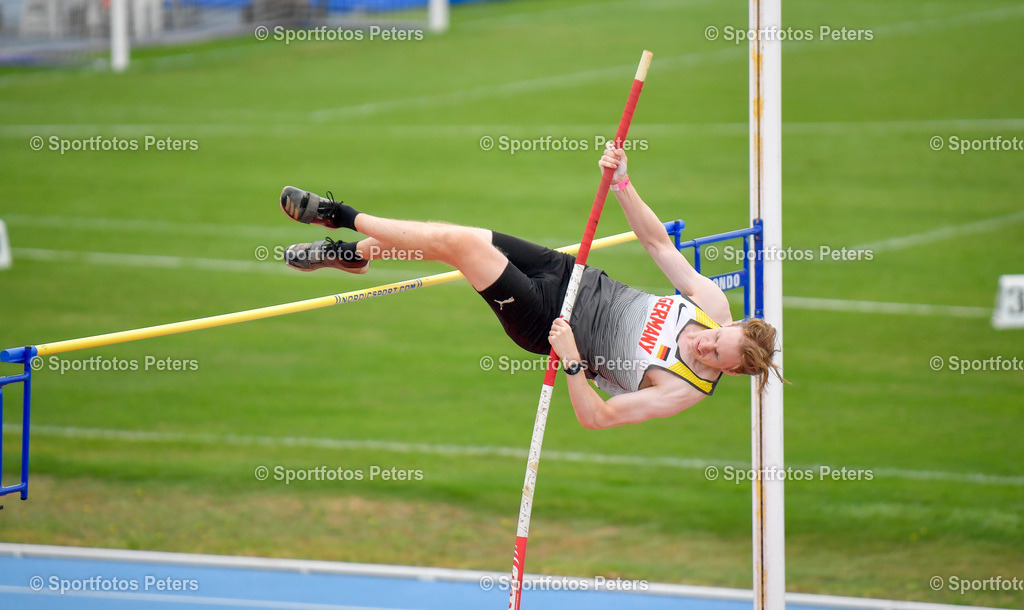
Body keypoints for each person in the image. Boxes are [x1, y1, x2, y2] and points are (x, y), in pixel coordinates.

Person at [280, 144, 783, 429]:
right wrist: (622, 183)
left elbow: (599, 417)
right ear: (732, 324)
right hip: (568, 273)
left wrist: (569, 360)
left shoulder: (682, 390)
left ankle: (338, 215)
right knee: (463, 238)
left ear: (730, 373)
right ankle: (354, 256)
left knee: (460, 244)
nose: (706, 343)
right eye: (719, 337)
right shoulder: (712, 306)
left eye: (716, 355)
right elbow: (656, 244)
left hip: (546, 320)